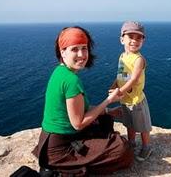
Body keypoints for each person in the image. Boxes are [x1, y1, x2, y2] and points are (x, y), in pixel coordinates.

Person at [32, 26, 133, 176]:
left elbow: (78, 109)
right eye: (74, 49)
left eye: (84, 48)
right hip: (61, 149)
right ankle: (67, 170)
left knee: (105, 120)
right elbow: (78, 123)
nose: (81, 54)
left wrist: (108, 111)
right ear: (62, 52)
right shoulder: (71, 80)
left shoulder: (60, 72)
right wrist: (108, 101)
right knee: (124, 150)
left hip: (50, 142)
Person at [109, 21, 152, 162]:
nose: (134, 40)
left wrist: (118, 92)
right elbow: (120, 75)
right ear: (122, 39)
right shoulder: (122, 57)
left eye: (138, 37)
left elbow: (133, 80)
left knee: (143, 126)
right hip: (125, 100)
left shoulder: (139, 59)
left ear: (143, 41)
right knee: (129, 123)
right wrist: (114, 85)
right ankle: (132, 142)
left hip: (136, 100)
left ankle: (146, 147)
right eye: (130, 36)